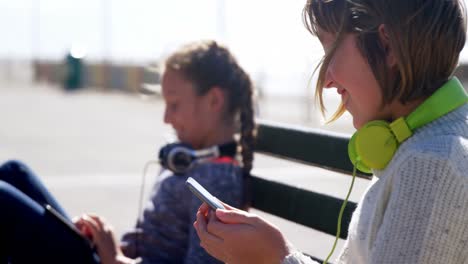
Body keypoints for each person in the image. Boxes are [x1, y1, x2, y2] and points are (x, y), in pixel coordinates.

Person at [194, 0, 468, 264]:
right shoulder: (416, 144)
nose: (326, 81)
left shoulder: (432, 165)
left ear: (387, 46)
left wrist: (274, 258)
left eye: (331, 51)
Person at [0, 40, 256, 264]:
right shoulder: (189, 159)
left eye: (174, 105)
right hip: (110, 258)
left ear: (214, 101)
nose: (166, 118)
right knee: (14, 171)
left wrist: (115, 259)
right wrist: (106, 240)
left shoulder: (217, 182)